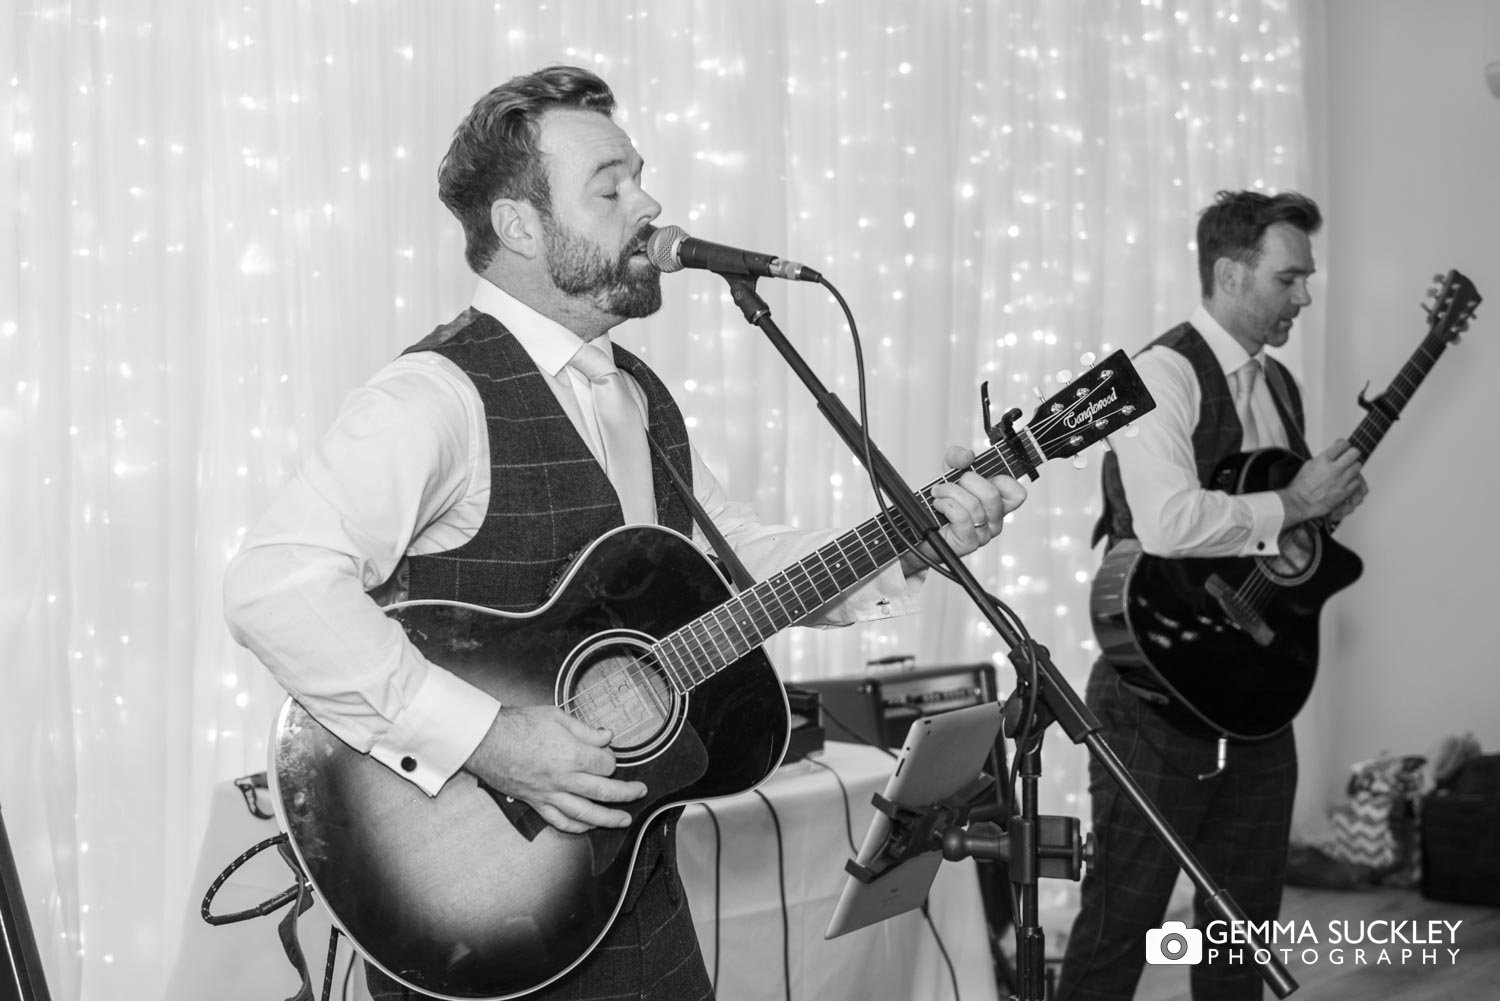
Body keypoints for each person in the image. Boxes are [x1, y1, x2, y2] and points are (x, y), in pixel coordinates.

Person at [223, 65, 1027, 1001]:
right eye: (610, 185)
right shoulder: (433, 398)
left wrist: (910, 542)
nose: (648, 203)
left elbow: (742, 563)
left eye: (639, 175)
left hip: (628, 889)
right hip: (472, 908)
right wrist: (487, 736)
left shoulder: (636, 395)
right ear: (520, 225)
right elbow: (274, 587)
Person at [1056, 189, 1366, 1000]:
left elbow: (1261, 534)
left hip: (1258, 693)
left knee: (1243, 929)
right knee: (1120, 924)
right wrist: (1294, 504)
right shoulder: (1160, 374)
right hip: (1155, 698)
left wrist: (1314, 517)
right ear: (1231, 273)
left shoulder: (1281, 387)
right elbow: (1166, 523)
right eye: (1289, 277)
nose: (1304, 295)